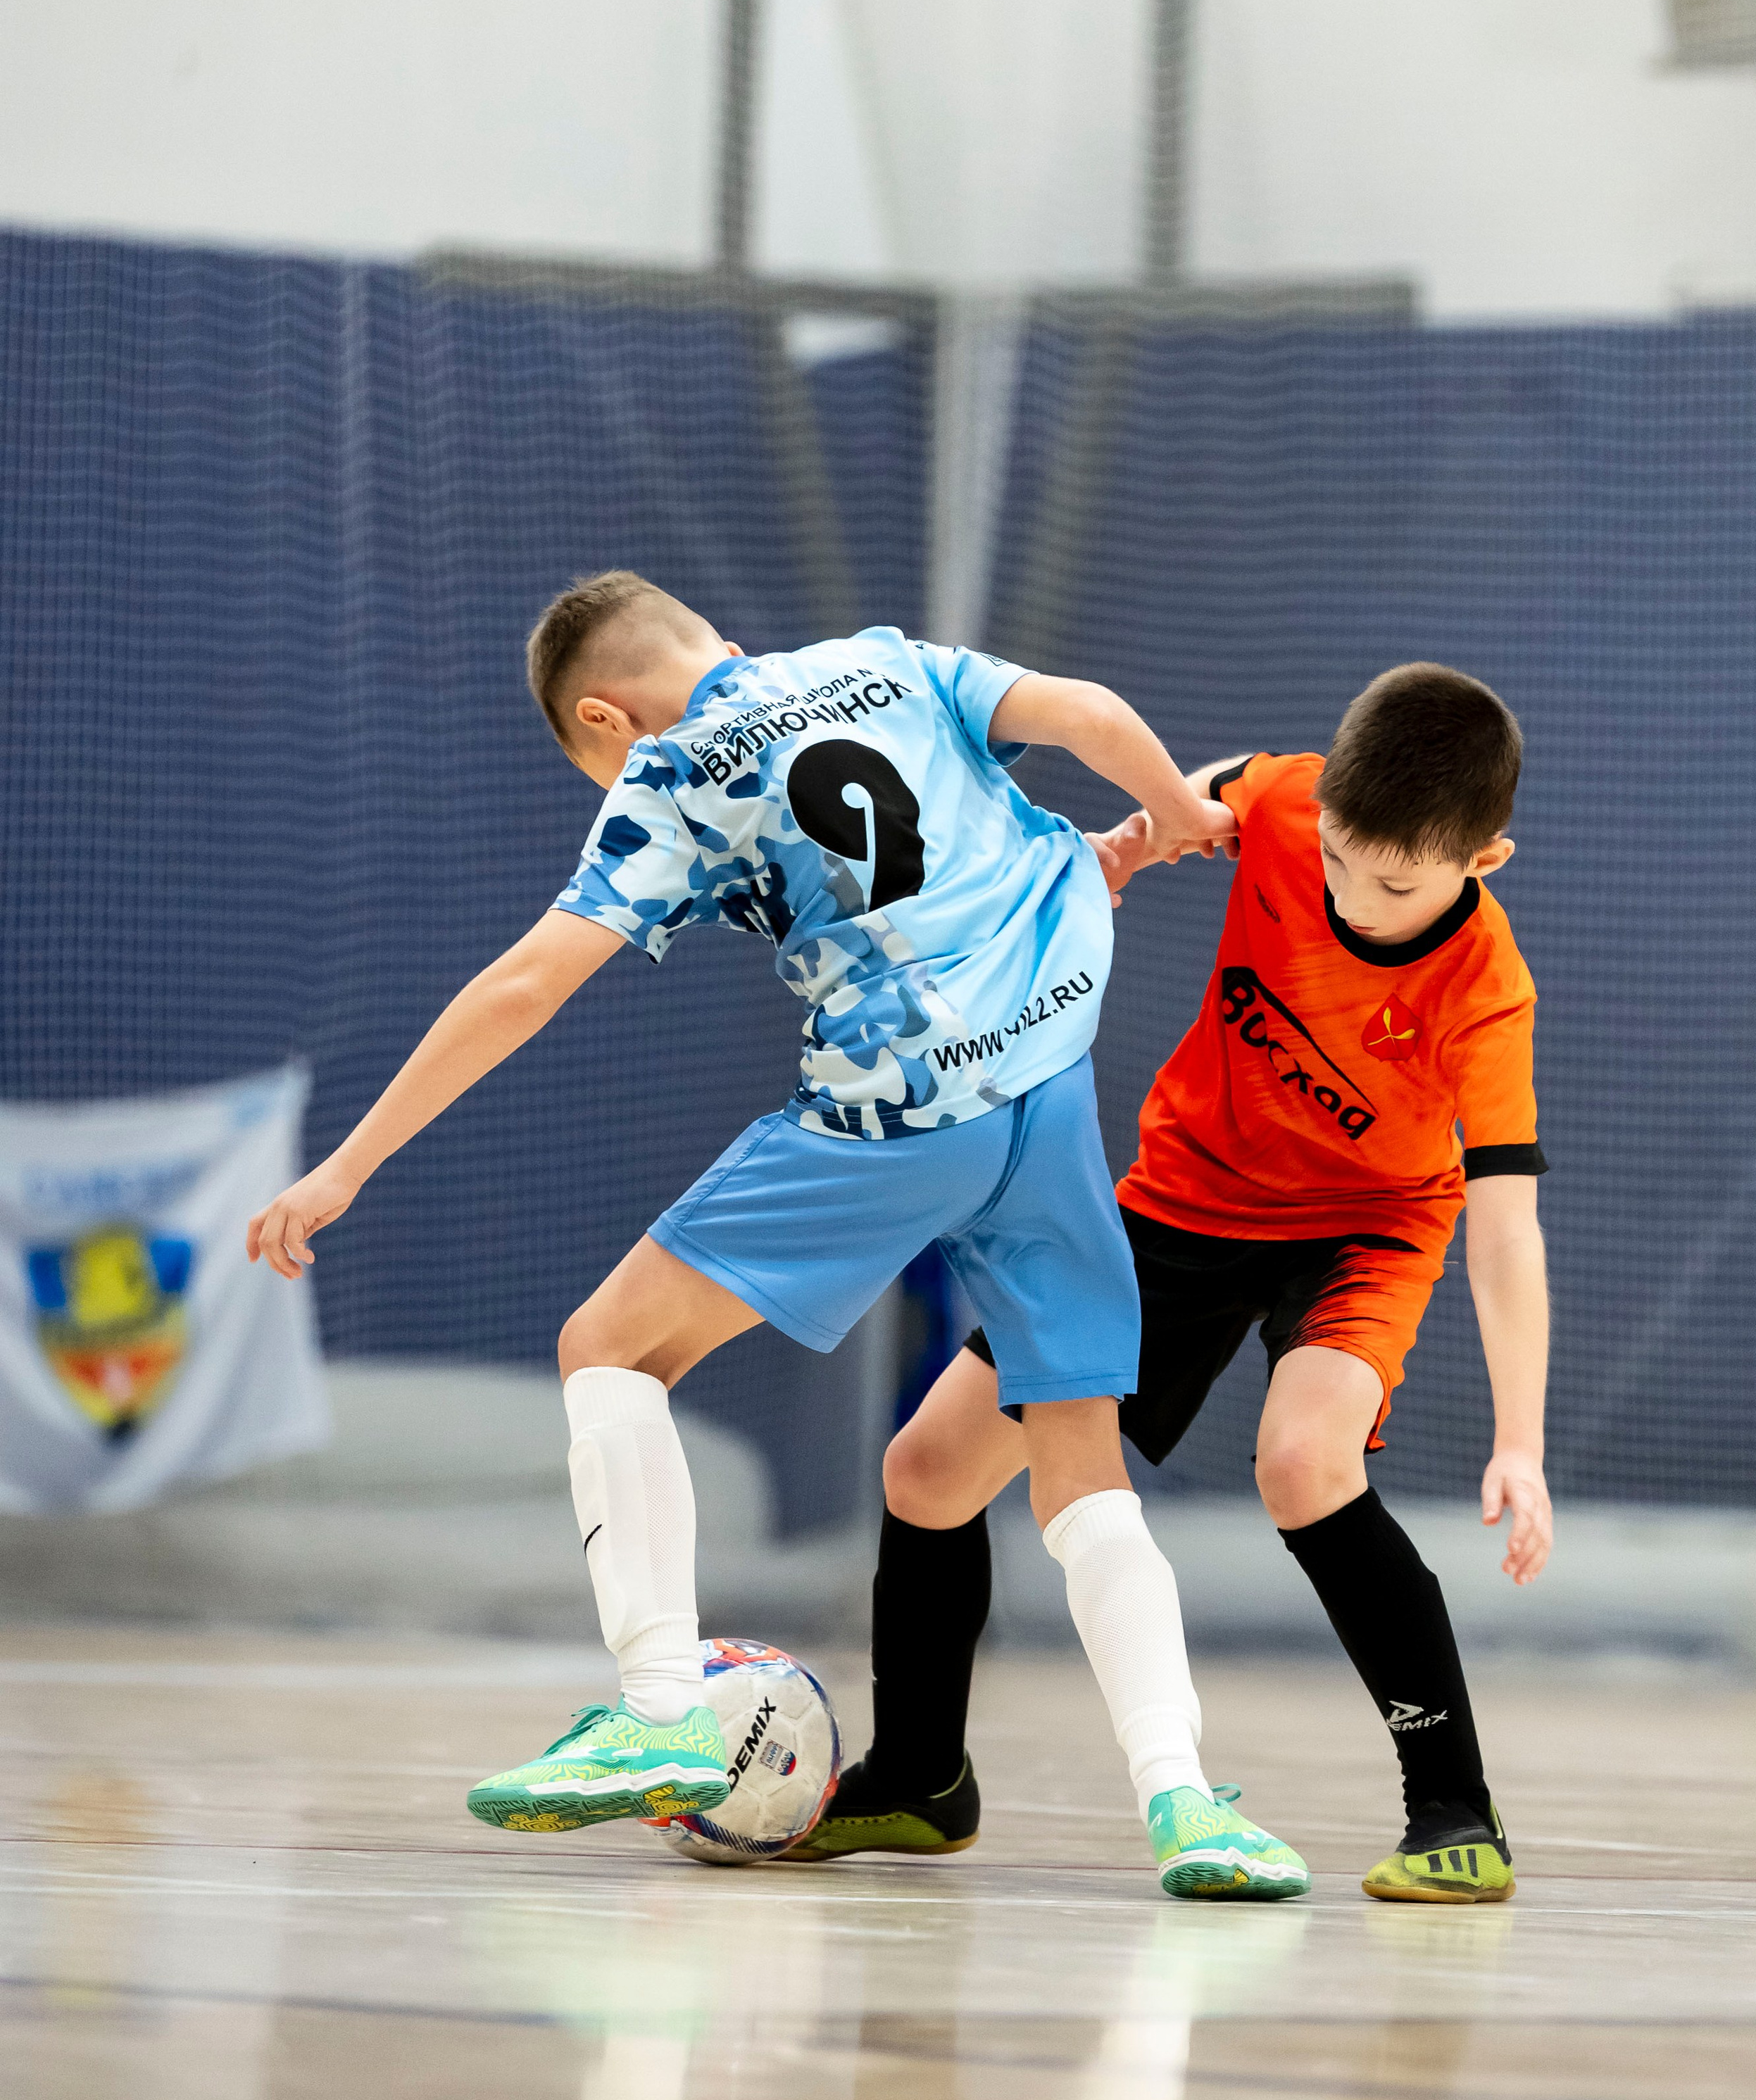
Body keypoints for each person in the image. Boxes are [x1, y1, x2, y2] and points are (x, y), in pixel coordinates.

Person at [247, 569, 1310, 1901]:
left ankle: (660, 1707)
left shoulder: (673, 771)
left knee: (610, 1347)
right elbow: (1083, 716)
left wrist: (346, 1166)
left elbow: (530, 979)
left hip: (895, 1114)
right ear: (726, 646)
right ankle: (1188, 1807)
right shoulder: (887, 662)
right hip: (1047, 1097)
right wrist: (1176, 815)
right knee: (1081, 1475)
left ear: (607, 721)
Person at [789, 664, 1550, 1906]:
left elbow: (1506, 1228)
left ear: (1486, 859)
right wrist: (1134, 845)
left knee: (1306, 1465)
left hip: (1365, 1230)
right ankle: (922, 1777)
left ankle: (1454, 1808)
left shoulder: (1486, 993)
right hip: (1187, 1204)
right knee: (927, 1471)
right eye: (1342, 860)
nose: (1354, 895)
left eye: (1397, 883)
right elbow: (1208, 797)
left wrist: (1519, 1439)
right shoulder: (1295, 802)